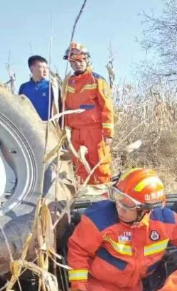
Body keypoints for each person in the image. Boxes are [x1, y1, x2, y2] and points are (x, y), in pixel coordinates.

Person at [63, 42, 114, 185]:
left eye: (80, 61)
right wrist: (66, 131)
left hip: (95, 131)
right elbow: (65, 107)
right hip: (76, 132)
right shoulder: (67, 83)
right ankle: (84, 196)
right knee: (79, 165)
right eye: (74, 62)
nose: (78, 64)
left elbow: (107, 107)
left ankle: (103, 194)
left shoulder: (97, 80)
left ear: (87, 60)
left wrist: (108, 132)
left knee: (100, 164)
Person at [19, 55, 60, 121]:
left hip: (47, 127)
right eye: (42, 67)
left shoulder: (51, 86)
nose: (45, 70)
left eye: (46, 68)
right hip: (27, 125)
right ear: (32, 68)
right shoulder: (24, 87)